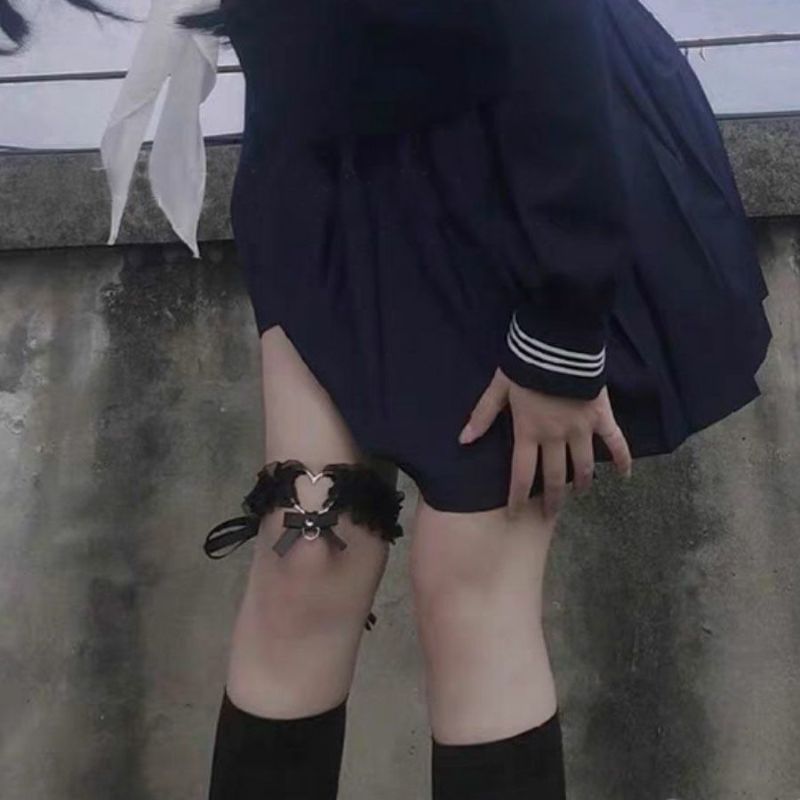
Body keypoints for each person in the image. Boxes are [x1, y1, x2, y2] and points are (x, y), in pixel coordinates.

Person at [3, 0, 772, 797]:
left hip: (513, 163)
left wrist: (560, 334)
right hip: (323, 163)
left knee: (467, 591)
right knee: (308, 555)